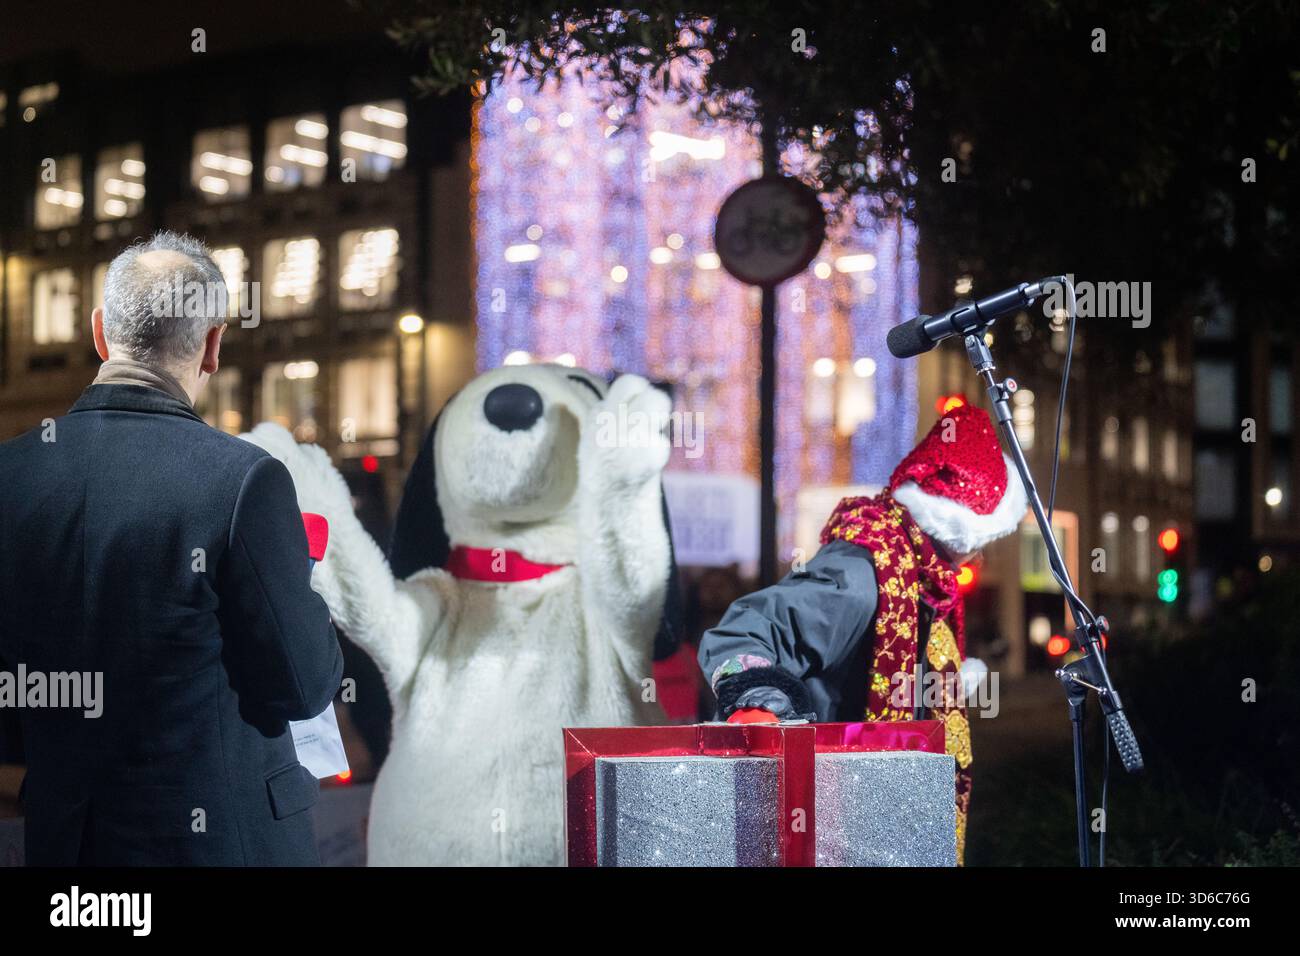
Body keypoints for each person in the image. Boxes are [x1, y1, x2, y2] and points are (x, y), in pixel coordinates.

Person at [0, 232, 343, 865]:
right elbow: (300, 686)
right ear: (212, 346)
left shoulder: (12, 473)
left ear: (100, 333)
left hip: (64, 847)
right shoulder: (244, 480)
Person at [698, 403, 1027, 862]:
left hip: (870, 818)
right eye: (986, 541)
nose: (981, 556)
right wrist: (758, 695)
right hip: (834, 819)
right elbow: (742, 634)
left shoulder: (920, 573)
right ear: (965, 532)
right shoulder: (861, 577)